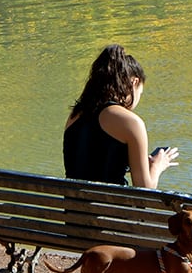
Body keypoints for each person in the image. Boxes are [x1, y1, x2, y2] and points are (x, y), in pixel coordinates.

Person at [62, 44, 179, 188]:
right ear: (134, 82)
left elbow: (88, 166)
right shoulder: (131, 123)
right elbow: (145, 191)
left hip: (73, 208)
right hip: (113, 209)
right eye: (140, 92)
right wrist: (157, 166)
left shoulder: (75, 115)